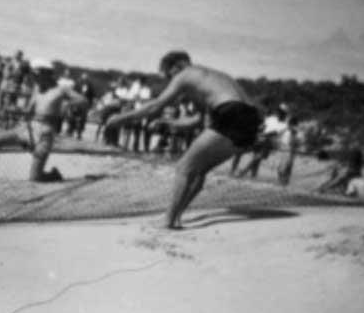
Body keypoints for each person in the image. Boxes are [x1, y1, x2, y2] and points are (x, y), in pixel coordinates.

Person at [105, 50, 262, 229]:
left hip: (232, 113)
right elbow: (196, 121)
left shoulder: (186, 74)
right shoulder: (213, 78)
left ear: (177, 66)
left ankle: (168, 221)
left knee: (184, 167)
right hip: (251, 119)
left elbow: (155, 106)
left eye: (169, 75)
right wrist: (167, 122)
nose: (170, 81)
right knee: (199, 169)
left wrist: (121, 118)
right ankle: (176, 215)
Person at [0, 58, 87, 183]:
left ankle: (54, 175)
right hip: (27, 129)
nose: (34, 79)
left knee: (35, 179)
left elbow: (83, 101)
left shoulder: (61, 90)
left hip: (45, 133)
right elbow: (28, 111)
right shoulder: (37, 89)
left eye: (36, 76)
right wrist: (16, 109)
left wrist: (67, 105)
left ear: (46, 74)